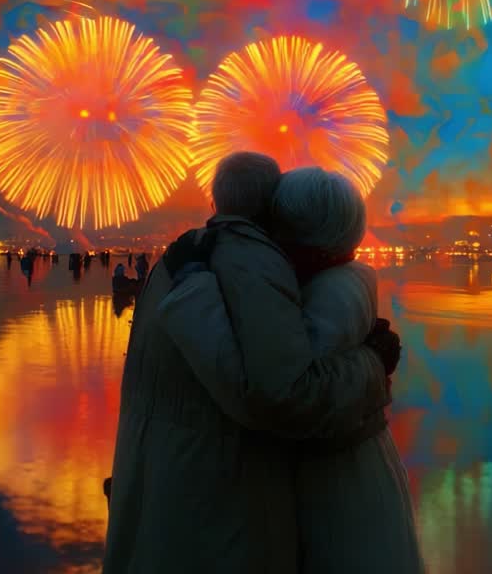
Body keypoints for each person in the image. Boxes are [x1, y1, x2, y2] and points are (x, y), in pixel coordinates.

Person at [103, 153, 399, 574]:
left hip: (160, 495)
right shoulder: (251, 262)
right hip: (213, 513)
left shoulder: (187, 255)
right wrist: (373, 365)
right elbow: (283, 396)